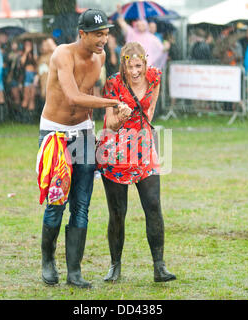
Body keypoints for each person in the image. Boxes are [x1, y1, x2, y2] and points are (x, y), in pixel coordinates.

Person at [38, 8, 131, 288]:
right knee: (57, 200)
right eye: (98, 35)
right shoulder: (62, 54)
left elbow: (91, 94)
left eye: (106, 34)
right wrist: (113, 103)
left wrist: (111, 120)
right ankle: (48, 261)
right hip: (55, 132)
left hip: (83, 132)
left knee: (82, 204)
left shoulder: (100, 57)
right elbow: (74, 96)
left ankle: (74, 271)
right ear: (83, 33)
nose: (104, 40)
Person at [97, 42, 176, 283]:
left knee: (153, 205)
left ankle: (159, 266)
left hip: (143, 146)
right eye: (130, 66)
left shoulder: (154, 77)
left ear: (145, 62)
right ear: (123, 63)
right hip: (116, 150)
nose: (134, 71)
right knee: (118, 212)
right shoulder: (113, 83)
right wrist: (121, 117)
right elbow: (109, 123)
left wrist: (140, 124)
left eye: (138, 66)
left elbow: (150, 110)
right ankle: (115, 266)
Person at [115, 4, 167, 69]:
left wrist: (166, 46)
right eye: (139, 24)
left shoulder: (151, 37)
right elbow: (121, 22)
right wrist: (120, 13)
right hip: (132, 67)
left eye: (143, 24)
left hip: (146, 67)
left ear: (146, 25)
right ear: (136, 25)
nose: (141, 26)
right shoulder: (131, 33)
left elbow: (161, 49)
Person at [36, 36, 57, 117]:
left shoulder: (53, 55)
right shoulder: (41, 57)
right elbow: (39, 68)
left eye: (45, 45)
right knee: (45, 99)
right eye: (42, 45)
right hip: (43, 81)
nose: (43, 47)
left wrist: (52, 45)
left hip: (51, 81)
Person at [20, 39, 38, 122]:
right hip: (26, 75)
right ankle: (24, 118)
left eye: (29, 45)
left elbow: (36, 66)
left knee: (32, 97)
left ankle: (31, 119)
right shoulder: (23, 54)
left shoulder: (34, 55)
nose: (28, 46)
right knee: (26, 97)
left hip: (33, 75)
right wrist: (26, 52)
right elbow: (22, 63)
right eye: (26, 45)